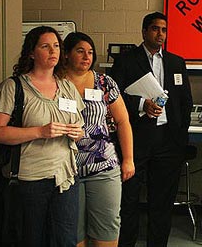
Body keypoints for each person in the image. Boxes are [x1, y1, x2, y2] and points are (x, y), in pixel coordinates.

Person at [0, 26, 85, 246]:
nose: (53, 51)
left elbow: (80, 129)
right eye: (45, 46)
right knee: (31, 240)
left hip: (65, 179)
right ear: (32, 53)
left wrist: (76, 133)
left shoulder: (67, 87)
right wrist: (39, 132)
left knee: (65, 241)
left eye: (56, 46)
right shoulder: (13, 87)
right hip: (29, 181)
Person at [110, 12, 193, 247]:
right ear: (144, 31)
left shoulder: (176, 62)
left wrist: (180, 134)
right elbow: (114, 97)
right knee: (129, 199)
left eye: (164, 30)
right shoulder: (126, 61)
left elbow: (185, 101)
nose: (160, 34)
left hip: (168, 141)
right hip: (136, 139)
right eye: (155, 29)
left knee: (162, 202)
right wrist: (140, 104)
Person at [63, 32, 135, 247]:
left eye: (90, 52)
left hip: (103, 165)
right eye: (80, 51)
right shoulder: (54, 82)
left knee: (106, 230)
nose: (87, 56)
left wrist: (128, 159)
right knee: (73, 233)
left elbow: (123, 122)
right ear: (66, 54)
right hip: (66, 168)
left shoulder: (104, 82)